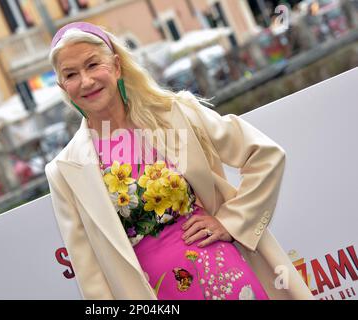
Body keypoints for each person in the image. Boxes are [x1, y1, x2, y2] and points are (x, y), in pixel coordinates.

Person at [45, 22, 314, 300]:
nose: (86, 81)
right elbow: (91, 276)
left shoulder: (175, 114)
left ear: (116, 66)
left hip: (225, 275)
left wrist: (231, 222)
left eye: (92, 65)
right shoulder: (64, 171)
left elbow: (265, 155)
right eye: (71, 74)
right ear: (63, 86)